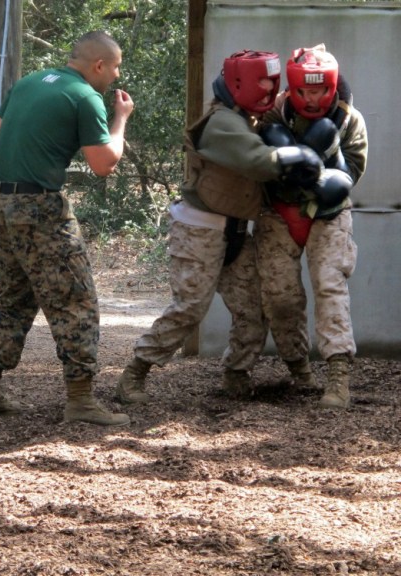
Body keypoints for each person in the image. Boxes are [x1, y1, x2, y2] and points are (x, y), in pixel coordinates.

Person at [116, 49, 325, 402]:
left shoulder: (250, 115)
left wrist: (317, 68)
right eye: (262, 81)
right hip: (200, 231)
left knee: (252, 307)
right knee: (190, 308)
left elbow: (302, 99)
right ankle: (135, 374)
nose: (268, 89)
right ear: (239, 83)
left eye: (272, 82)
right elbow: (258, 162)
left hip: (236, 231)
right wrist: (297, 156)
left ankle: (236, 375)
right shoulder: (223, 123)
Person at [0, 31, 135, 427]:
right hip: (40, 208)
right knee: (76, 299)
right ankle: (80, 400)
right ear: (98, 65)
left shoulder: (27, 83)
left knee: (15, 298)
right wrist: (121, 119)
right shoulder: (85, 97)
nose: (114, 76)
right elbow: (103, 164)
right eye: (114, 68)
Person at [256, 44, 368, 409]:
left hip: (329, 213)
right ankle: (298, 367)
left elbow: (352, 171)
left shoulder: (351, 120)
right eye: (303, 90)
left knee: (330, 287)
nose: (311, 98)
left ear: (332, 86)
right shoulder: (273, 113)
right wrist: (285, 164)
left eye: (319, 90)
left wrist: (324, 164)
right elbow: (256, 162)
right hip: (279, 212)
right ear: (292, 87)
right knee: (280, 295)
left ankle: (338, 378)